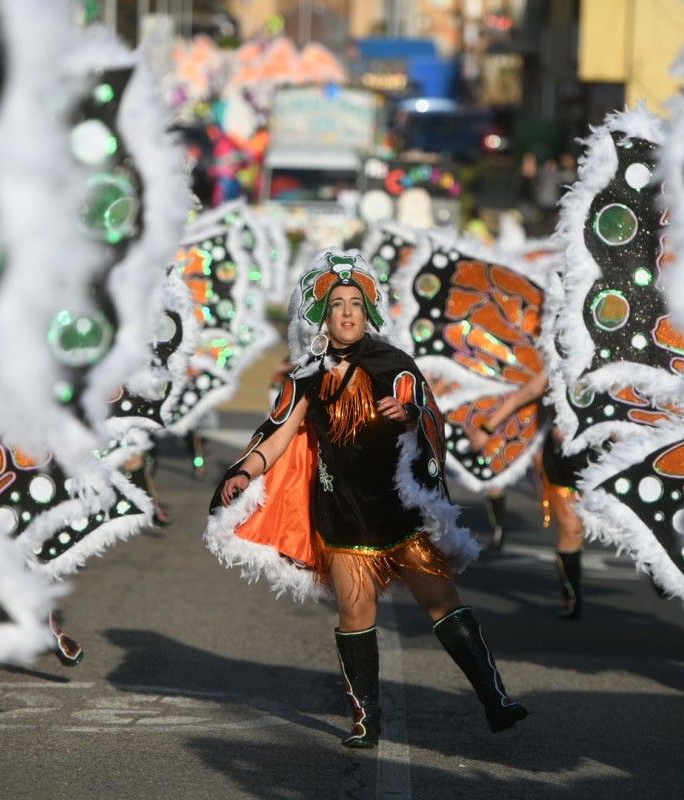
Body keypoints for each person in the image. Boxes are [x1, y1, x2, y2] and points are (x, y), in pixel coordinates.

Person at [206, 251, 528, 747]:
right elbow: (278, 434)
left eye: (356, 302)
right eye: (337, 304)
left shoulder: (392, 362)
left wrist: (408, 413)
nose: (348, 312)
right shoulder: (306, 376)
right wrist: (246, 470)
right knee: (357, 616)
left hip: (400, 514)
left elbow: (423, 407)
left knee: (442, 602)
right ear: (323, 316)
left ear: (368, 311)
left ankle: (494, 698)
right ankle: (366, 719)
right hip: (343, 517)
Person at [465, 369, 586, 618]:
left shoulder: (618, 362)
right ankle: (572, 597)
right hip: (563, 460)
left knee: (628, 525)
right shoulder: (557, 366)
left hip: (610, 458)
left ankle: (658, 565)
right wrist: (486, 429)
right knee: (571, 528)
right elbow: (522, 396)